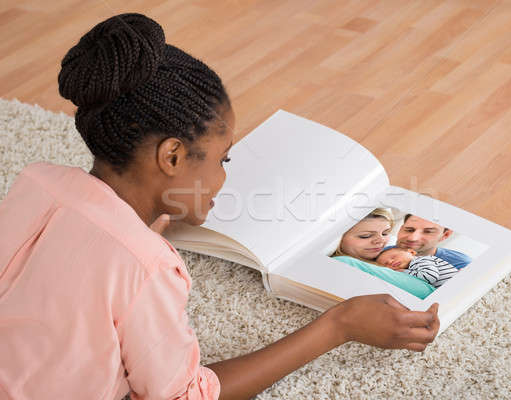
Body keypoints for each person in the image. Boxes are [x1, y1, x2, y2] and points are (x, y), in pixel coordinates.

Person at [0, 14, 440, 400]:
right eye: (222, 159)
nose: (224, 177)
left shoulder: (35, 182)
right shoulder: (146, 267)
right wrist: (338, 325)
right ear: (171, 157)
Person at [330, 209, 436, 299]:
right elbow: (425, 293)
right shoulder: (344, 263)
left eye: (385, 233)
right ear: (339, 238)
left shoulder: (395, 255)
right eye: (365, 236)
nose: (380, 241)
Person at [384, 214, 472, 269]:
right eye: (409, 230)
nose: (413, 238)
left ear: (445, 235)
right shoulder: (381, 253)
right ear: (401, 229)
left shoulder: (461, 264)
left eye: (428, 232)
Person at [375, 248, 460, 288]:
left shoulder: (420, 260)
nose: (390, 262)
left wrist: (403, 271)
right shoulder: (413, 268)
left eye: (394, 256)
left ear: (411, 252)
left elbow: (430, 276)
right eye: (386, 264)